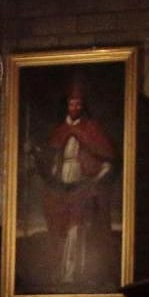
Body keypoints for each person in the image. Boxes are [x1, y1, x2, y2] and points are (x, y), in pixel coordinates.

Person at [37, 76, 117, 285]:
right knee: (60, 227)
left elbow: (104, 155)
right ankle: (59, 271)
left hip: (81, 182)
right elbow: (52, 156)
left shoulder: (90, 128)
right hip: (61, 182)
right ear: (67, 105)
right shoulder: (59, 130)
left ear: (83, 106)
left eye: (78, 103)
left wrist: (94, 175)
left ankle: (72, 273)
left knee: (76, 228)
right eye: (72, 103)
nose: (75, 106)